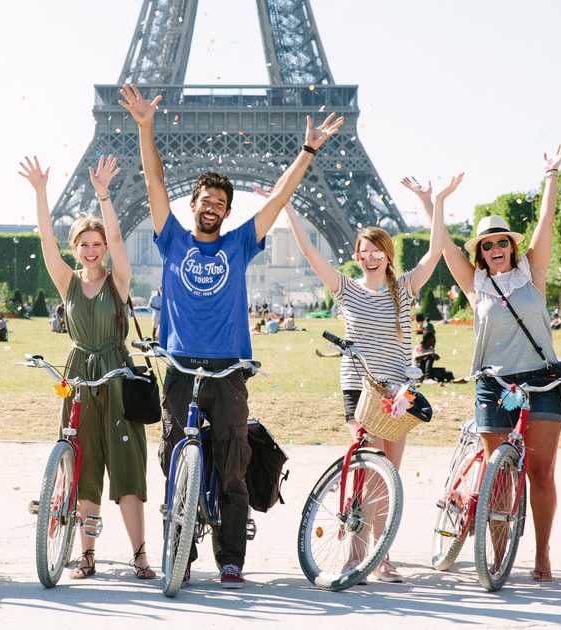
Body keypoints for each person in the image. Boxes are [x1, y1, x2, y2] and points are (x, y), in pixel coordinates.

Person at [121, 82, 343, 587]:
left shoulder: (242, 242)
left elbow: (282, 194)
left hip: (228, 368)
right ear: (194, 203)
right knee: (173, 454)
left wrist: (306, 151)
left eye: (221, 201)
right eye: (206, 198)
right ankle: (178, 543)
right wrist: (145, 127)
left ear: (227, 209)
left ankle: (230, 558)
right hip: (178, 363)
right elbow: (155, 181)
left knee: (232, 461)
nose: (213, 206)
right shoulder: (172, 237)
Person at [278, 170, 451, 581]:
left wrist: (436, 202)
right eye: (363, 251)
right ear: (356, 256)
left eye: (376, 251)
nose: (369, 257)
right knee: (367, 469)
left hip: (397, 390)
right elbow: (308, 251)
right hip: (359, 388)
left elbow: (437, 249)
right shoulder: (346, 289)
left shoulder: (404, 289)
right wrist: (286, 203)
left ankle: (380, 553)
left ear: (388, 254)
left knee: (388, 474)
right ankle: (358, 556)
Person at [437, 145, 561, 582]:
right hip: (494, 384)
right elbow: (441, 245)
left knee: (541, 472)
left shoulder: (532, 271)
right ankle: (497, 555)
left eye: (502, 242)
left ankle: (543, 554)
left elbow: (546, 224)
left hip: (540, 379)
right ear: (480, 252)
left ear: (513, 246)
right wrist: (437, 204)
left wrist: (550, 176)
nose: (496, 248)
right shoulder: (475, 283)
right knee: (501, 477)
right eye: (487, 244)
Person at [21, 153, 155, 581]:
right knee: (82, 464)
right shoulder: (68, 282)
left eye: (97, 245)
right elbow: (45, 242)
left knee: (128, 465)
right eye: (85, 244)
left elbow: (117, 239)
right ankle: (87, 555)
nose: (94, 250)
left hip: (116, 370)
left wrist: (103, 195)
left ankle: (140, 554)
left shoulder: (118, 280)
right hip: (79, 371)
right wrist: (41, 192)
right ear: (75, 248)